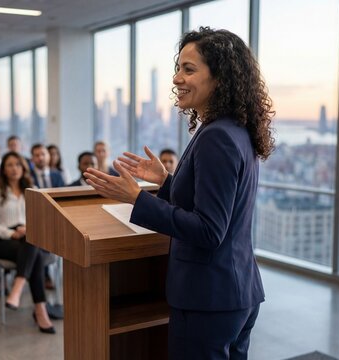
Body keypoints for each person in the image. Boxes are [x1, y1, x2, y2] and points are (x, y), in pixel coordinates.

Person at [84, 28, 274, 359]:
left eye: (189, 69)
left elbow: (209, 229)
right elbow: (216, 205)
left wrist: (138, 199)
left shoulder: (217, 137)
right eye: (178, 68)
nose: (176, 79)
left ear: (220, 77)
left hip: (208, 300)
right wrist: (166, 180)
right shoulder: (233, 129)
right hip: (235, 292)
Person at [0, 151, 55, 334]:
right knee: (34, 250)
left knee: (33, 245)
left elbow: (43, 218)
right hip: (5, 240)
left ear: (23, 168)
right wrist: (11, 233)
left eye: (17, 164)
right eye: (9, 165)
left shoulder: (33, 188)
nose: (14, 168)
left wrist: (29, 229)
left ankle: (19, 286)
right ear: (3, 169)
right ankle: (40, 310)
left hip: (30, 237)